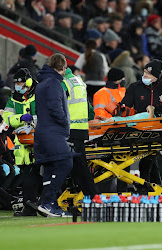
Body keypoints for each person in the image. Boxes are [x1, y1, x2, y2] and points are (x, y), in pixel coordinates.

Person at [121, 59, 162, 188]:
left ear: (156, 76)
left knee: (156, 164)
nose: (145, 75)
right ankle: (146, 190)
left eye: (149, 74)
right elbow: (125, 107)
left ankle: (157, 191)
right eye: (145, 72)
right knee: (145, 162)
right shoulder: (135, 87)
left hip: (160, 133)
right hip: (139, 130)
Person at [34, 53, 75, 217]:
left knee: (51, 167)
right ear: (63, 67)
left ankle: (47, 203)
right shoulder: (54, 83)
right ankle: (48, 202)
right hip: (54, 132)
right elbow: (55, 107)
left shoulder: (43, 82)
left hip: (44, 131)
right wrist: (65, 123)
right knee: (66, 163)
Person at [3, 68, 41, 216]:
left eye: (21, 82)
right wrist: (20, 119)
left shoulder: (40, 93)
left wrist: (33, 120)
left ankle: (41, 204)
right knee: (27, 178)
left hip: (39, 141)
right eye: (16, 83)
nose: (18, 85)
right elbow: (6, 117)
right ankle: (30, 207)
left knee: (43, 175)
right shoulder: (14, 98)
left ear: (29, 81)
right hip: (24, 146)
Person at [61, 67, 97, 198]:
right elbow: (89, 108)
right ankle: (91, 196)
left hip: (69, 130)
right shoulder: (79, 81)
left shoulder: (63, 83)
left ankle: (93, 196)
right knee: (78, 166)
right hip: (81, 129)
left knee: (78, 166)